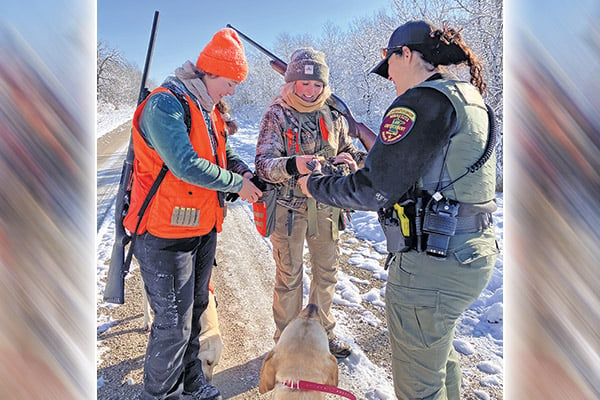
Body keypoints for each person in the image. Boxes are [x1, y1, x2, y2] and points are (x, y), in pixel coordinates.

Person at [299, 20, 499, 399]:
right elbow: (426, 169)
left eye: (388, 64)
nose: (388, 76)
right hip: (469, 252)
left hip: (431, 267)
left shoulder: (421, 100)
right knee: (438, 363)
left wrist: (314, 185)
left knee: (418, 388)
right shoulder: (467, 97)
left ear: (405, 53)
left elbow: (373, 191)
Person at [123, 28, 262, 400]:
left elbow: (221, 155)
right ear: (211, 72)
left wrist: (244, 171)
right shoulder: (165, 104)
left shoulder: (208, 109)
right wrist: (235, 184)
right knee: (171, 326)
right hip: (162, 233)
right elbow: (185, 164)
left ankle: (190, 381)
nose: (232, 91)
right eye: (230, 82)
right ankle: (160, 394)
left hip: (201, 228)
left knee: (196, 312)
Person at [255, 47, 367, 359]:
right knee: (289, 277)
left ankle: (322, 334)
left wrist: (351, 160)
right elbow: (263, 164)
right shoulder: (276, 114)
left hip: (327, 207)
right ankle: (287, 343)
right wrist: (294, 165)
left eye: (317, 85)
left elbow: (350, 151)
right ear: (291, 84)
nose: (310, 91)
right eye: (304, 84)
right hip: (288, 210)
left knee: (327, 273)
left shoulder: (333, 114)